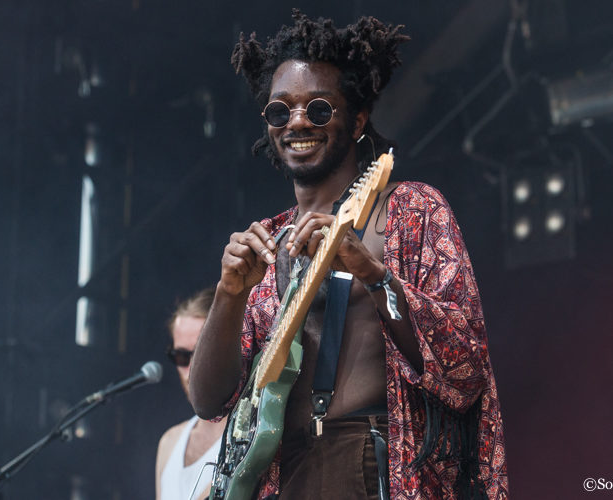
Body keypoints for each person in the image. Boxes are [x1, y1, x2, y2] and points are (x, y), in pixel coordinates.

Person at [189, 10, 508, 500]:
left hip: (374, 465)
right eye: (280, 111)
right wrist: (230, 294)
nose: (297, 121)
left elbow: (465, 366)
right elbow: (210, 401)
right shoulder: (268, 241)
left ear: (357, 119)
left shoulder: (410, 210)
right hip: (281, 474)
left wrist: (372, 274)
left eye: (319, 109)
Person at [156, 287, 227, 500]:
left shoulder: (252, 435)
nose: (191, 369)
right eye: (180, 356)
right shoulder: (170, 441)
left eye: (200, 353)